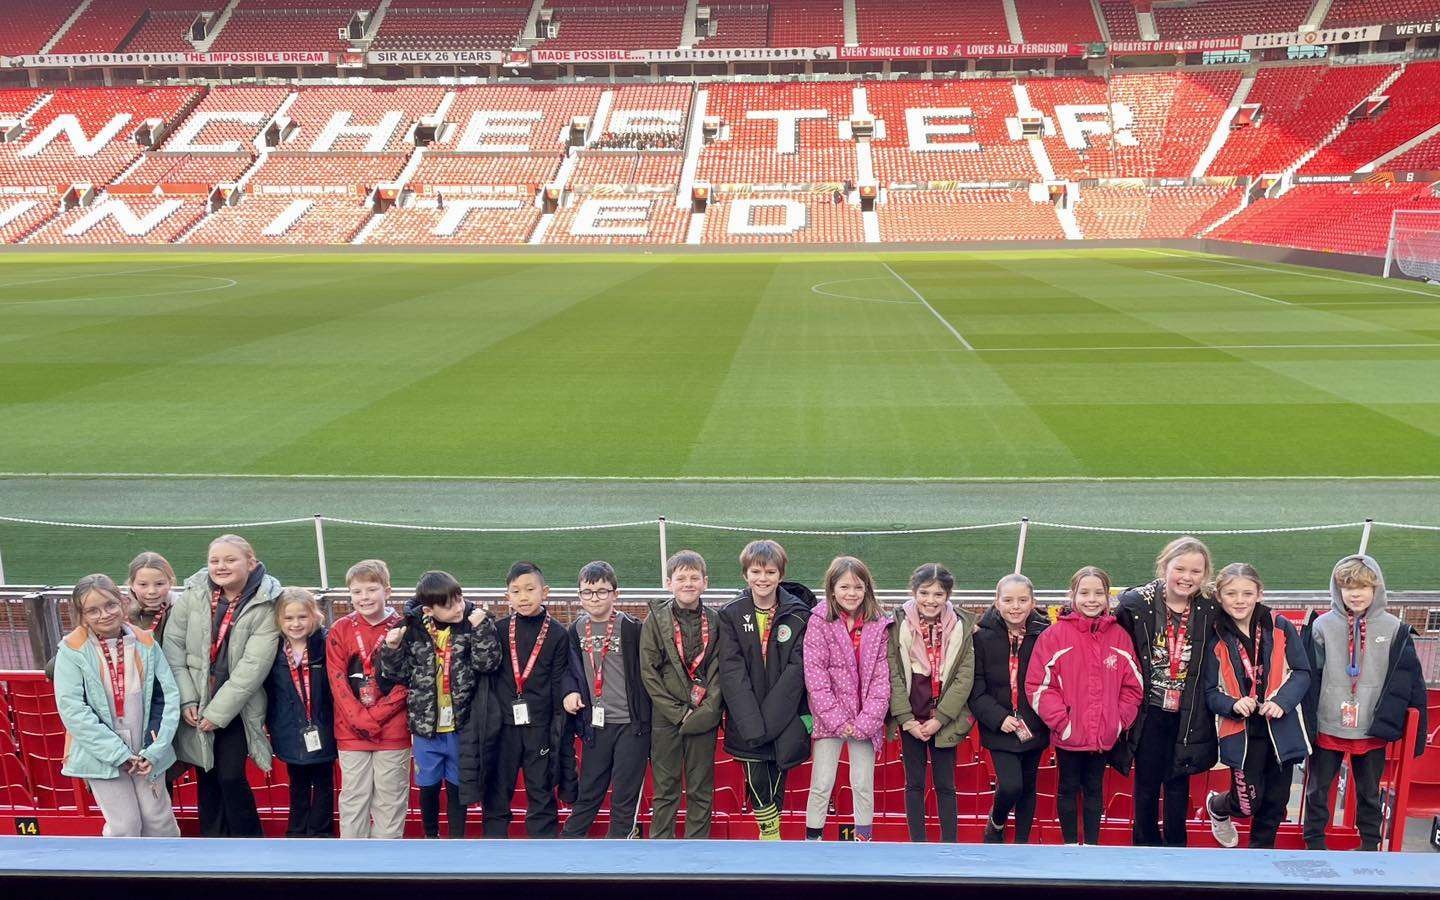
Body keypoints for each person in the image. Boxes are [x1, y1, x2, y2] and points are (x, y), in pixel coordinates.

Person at [1302, 554, 1428, 851]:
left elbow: (1412, 680)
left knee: (1369, 792)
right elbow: (1309, 676)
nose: (1355, 594)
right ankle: (1314, 842)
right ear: (1337, 590)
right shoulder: (1321, 626)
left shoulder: (1394, 628)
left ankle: (1370, 845)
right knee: (1317, 789)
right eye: (1347, 587)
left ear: (1376, 588)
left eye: (1362, 587)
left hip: (1372, 724)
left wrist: (1418, 732)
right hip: (1328, 723)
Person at [162, 534, 280, 837]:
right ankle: (213, 843)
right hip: (196, 702)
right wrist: (187, 700)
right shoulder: (194, 593)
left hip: (237, 708)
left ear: (250, 563)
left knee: (230, 775)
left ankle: (249, 842)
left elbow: (253, 667)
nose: (221, 566)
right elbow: (173, 647)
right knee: (207, 774)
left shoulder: (266, 602)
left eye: (230, 560)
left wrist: (217, 713)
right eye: (214, 560)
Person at [53, 574, 181, 837]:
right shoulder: (71, 650)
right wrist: (117, 754)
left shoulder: (147, 642)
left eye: (110, 605)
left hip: (146, 750)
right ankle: (123, 866)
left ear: (122, 603)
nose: (104, 614)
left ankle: (167, 865)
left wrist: (155, 749)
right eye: (93, 610)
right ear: (81, 615)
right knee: (125, 826)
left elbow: (167, 697)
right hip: (101, 755)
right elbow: (73, 710)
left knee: (159, 822)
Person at [381, 570, 501, 839]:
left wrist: (481, 629)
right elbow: (396, 675)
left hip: (461, 724)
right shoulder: (410, 628)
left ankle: (457, 838)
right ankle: (431, 836)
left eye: (459, 599)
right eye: (449, 606)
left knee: (459, 785)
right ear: (428, 610)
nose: (458, 608)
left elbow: (487, 664)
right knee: (428, 785)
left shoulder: (475, 622)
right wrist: (391, 649)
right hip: (426, 728)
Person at [1028, 566, 1144, 845]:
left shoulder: (1119, 637)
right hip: (1069, 736)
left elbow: (1133, 687)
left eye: (1098, 593)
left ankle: (1092, 847)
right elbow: (1039, 685)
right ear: (1073, 595)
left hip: (1103, 735)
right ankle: (1070, 846)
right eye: (1084, 593)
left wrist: (1116, 721)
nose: (1091, 600)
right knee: (1068, 788)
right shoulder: (1054, 636)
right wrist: (1063, 723)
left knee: (1094, 789)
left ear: (1107, 597)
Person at [1115, 536, 1219, 847]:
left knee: (1178, 783)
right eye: (1180, 569)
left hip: (1189, 711)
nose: (1187, 577)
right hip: (1149, 710)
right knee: (1146, 783)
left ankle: (1176, 849)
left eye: (1196, 571)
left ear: (1205, 574)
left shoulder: (1211, 607)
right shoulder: (1136, 604)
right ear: (1165, 567)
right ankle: (1145, 847)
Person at [1199, 564, 1311, 849]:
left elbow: (1302, 672)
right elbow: (1209, 692)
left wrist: (1282, 702)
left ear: (1259, 594)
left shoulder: (1280, 626)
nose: (1240, 600)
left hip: (1280, 728)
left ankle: (1261, 859)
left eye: (1247, 593)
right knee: (1246, 804)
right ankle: (1217, 806)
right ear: (1219, 596)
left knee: (1275, 804)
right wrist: (1233, 704)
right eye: (1231, 593)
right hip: (1241, 733)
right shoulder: (1214, 636)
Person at [717, 539, 812, 841]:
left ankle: (770, 842)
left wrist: (770, 720)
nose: (763, 578)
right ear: (745, 574)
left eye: (770, 572)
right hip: (746, 718)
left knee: (777, 776)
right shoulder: (730, 613)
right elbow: (732, 671)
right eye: (756, 572)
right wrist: (752, 721)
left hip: (784, 716)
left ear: (781, 574)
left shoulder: (800, 614)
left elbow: (797, 669)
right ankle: (771, 837)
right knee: (757, 781)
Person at [560, 561, 652, 838]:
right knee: (589, 792)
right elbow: (567, 670)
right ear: (579, 595)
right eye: (587, 592)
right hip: (596, 726)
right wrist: (569, 691)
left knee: (625, 796)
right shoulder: (575, 630)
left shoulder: (633, 628)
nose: (595, 598)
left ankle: (619, 848)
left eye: (602, 591)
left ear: (615, 594)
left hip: (631, 726)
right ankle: (568, 844)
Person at [802, 556, 890, 841]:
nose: (851, 593)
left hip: (865, 721)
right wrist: (838, 721)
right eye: (844, 587)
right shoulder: (819, 622)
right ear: (832, 589)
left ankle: (863, 839)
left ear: (867, 589)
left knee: (862, 784)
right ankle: (812, 840)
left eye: (858, 587)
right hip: (830, 720)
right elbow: (816, 676)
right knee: (821, 783)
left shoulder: (879, 624)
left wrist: (865, 722)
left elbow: (881, 680)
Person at [482, 561, 571, 838]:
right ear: (507, 596)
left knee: (541, 791)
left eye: (530, 589)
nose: (523, 597)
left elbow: (558, 682)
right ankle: (494, 850)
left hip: (539, 727)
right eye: (516, 591)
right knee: (497, 792)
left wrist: (555, 727)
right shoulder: (497, 630)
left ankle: (543, 854)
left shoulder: (557, 633)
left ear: (545, 592)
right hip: (504, 727)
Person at [887, 562, 974, 843]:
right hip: (912, 716)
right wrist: (906, 719)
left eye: (938, 594)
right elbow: (893, 674)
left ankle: (949, 844)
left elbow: (964, 677)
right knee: (913, 783)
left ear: (948, 595)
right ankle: (918, 844)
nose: (931, 600)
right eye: (924, 593)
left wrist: (941, 719)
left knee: (946, 785)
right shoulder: (897, 624)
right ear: (914, 592)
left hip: (944, 718)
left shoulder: (961, 625)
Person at [640, 550, 723, 839]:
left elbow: (719, 671)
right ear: (669, 583)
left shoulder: (716, 620)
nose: (688, 583)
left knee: (701, 788)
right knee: (666, 789)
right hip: (666, 719)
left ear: (705, 582)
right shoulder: (655, 620)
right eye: (681, 578)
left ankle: (696, 850)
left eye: (694, 577)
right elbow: (649, 673)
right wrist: (678, 714)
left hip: (703, 717)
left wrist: (706, 712)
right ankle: (661, 848)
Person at [326, 559, 410, 839]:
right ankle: (353, 862)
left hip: (392, 731)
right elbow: (337, 680)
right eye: (357, 592)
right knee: (354, 800)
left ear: (388, 591)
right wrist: (361, 719)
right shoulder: (341, 629)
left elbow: (407, 682)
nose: (364, 597)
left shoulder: (405, 628)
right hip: (351, 731)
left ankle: (386, 862)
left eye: (372, 590)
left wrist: (374, 717)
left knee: (390, 801)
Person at [970, 573, 1050, 844]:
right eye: (1008, 600)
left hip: (1033, 725)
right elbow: (975, 687)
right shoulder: (981, 637)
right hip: (1000, 727)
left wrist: (1040, 714)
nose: (1015, 607)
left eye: (1022, 600)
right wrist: (998, 717)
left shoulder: (1044, 634)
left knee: (1028, 786)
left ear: (1032, 602)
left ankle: (1022, 843)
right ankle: (997, 821)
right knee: (1011, 784)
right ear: (997, 602)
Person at [263, 587, 337, 837]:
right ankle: (296, 833)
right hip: (288, 729)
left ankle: (321, 833)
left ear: (314, 616)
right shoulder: (272, 648)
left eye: (302, 617)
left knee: (324, 783)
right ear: (279, 620)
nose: (296, 624)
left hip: (324, 727)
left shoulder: (327, 644)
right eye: (289, 618)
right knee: (297, 784)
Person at [128, 551, 178, 641]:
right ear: (131, 585)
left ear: (170, 583)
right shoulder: (120, 611)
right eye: (143, 584)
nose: (152, 591)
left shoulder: (180, 608)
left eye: (159, 584)